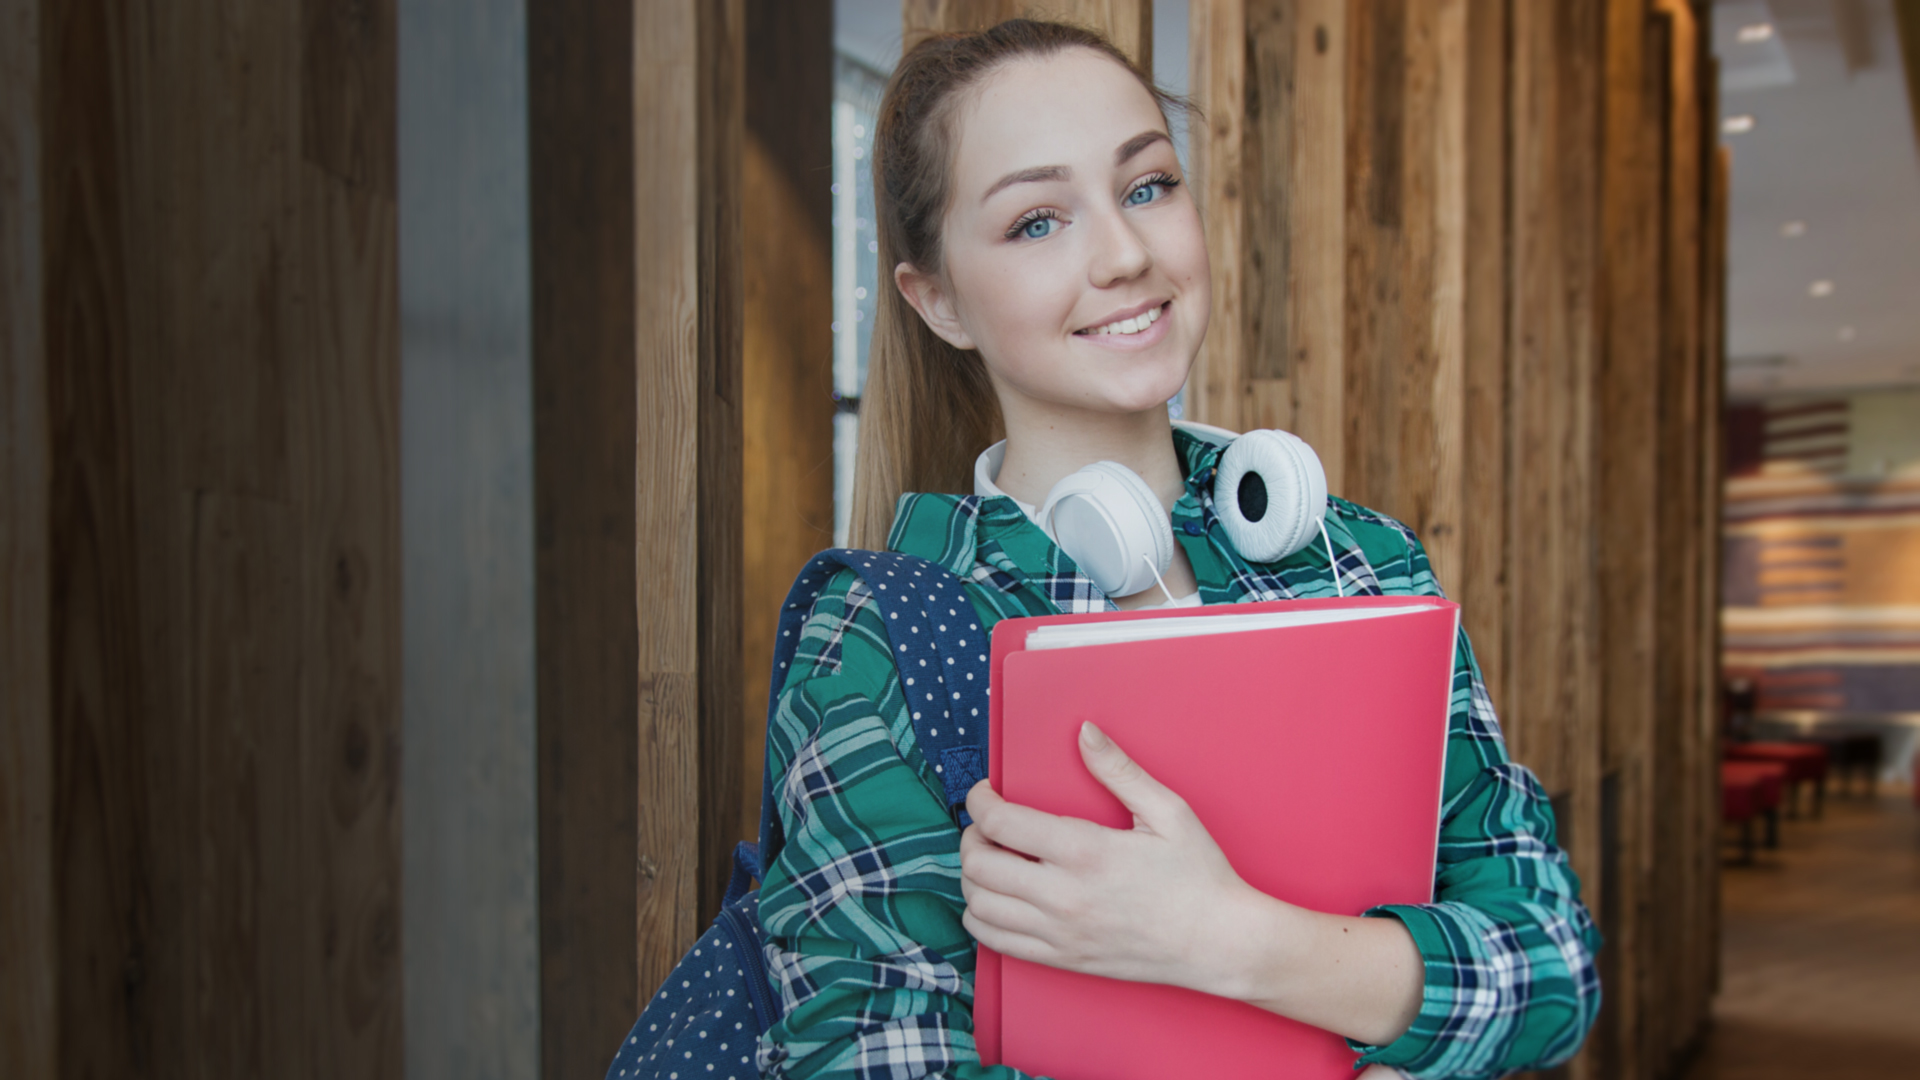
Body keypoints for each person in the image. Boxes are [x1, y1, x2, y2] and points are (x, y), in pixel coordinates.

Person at [755, 19, 1600, 1080]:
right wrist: (1387, 1001)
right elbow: (866, 1057)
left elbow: (1552, 965)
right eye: (1037, 222)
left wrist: (1230, 942)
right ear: (937, 299)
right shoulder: (886, 637)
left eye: (1147, 186)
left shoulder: (1361, 563)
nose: (1125, 254)